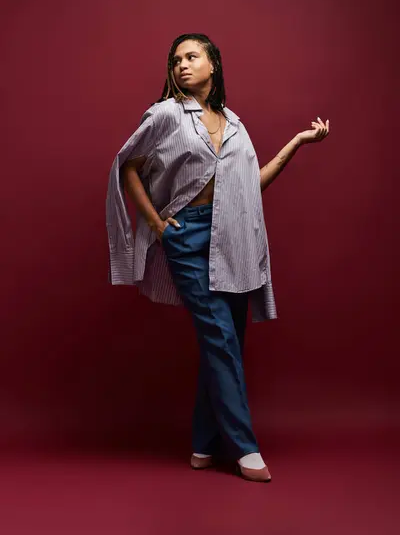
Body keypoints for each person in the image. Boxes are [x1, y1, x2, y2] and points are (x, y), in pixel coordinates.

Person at [106, 33, 329, 483]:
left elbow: (250, 185)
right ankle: (245, 447)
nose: (181, 66)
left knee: (226, 344)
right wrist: (157, 222)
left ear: (214, 65)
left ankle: (203, 445)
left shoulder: (233, 123)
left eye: (192, 57)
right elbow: (128, 165)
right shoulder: (167, 113)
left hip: (232, 238)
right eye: (175, 60)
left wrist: (298, 143)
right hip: (186, 237)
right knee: (221, 339)